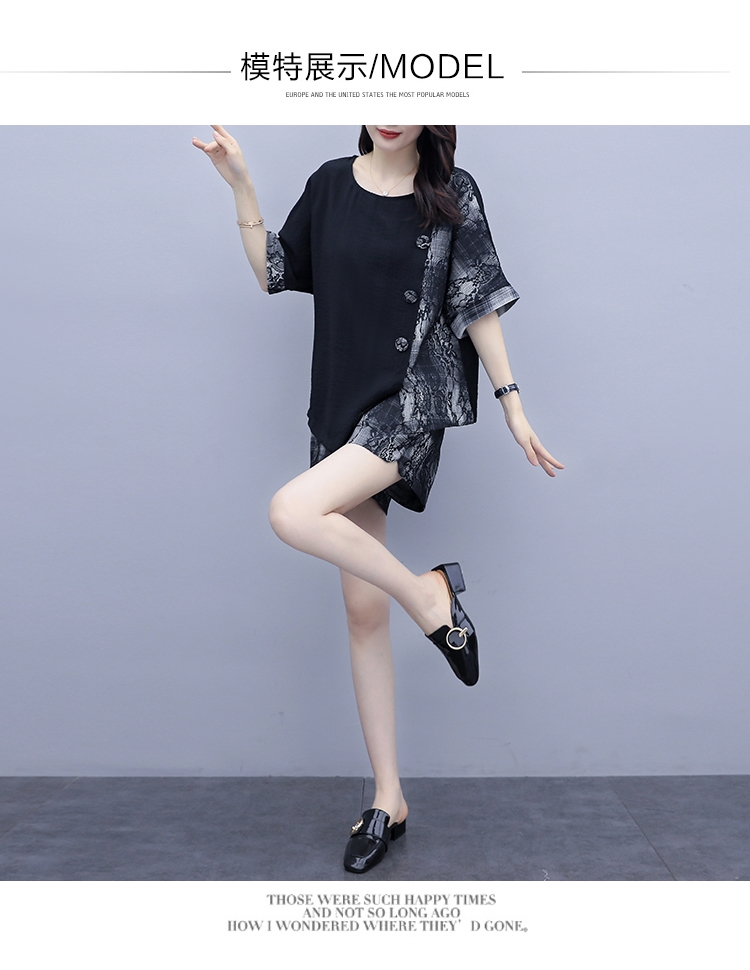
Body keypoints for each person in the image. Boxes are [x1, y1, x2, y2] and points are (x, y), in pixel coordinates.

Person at [193, 125, 564, 874]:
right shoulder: (331, 182)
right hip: (339, 408)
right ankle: (389, 798)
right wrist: (241, 186)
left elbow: (477, 301)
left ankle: (430, 598)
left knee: (291, 510)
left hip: (409, 405)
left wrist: (513, 403)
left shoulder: (450, 194)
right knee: (363, 613)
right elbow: (274, 272)